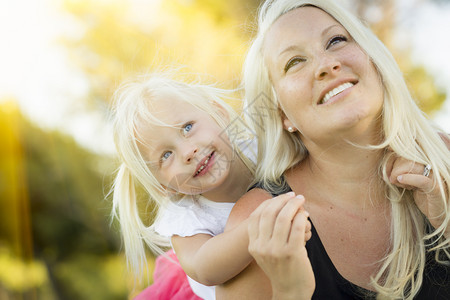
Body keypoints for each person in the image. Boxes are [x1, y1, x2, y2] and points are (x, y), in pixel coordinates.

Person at [216, 0, 450, 299]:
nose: (327, 65)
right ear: (282, 115)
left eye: (336, 41)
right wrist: (292, 291)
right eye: (294, 62)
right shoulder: (258, 220)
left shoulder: (445, 159)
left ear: (372, 59)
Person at [109, 72, 312, 299]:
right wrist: (261, 226)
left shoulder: (257, 145)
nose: (188, 152)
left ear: (219, 113)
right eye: (166, 155)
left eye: (187, 128)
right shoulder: (184, 213)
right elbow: (204, 269)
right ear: (164, 187)